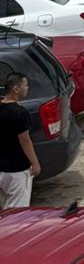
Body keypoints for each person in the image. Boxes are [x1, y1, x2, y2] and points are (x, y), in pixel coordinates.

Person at [0, 71, 40, 212]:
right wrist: (35, 164)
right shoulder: (19, 113)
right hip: (16, 171)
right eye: (25, 85)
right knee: (17, 214)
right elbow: (25, 141)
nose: (27, 88)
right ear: (16, 89)